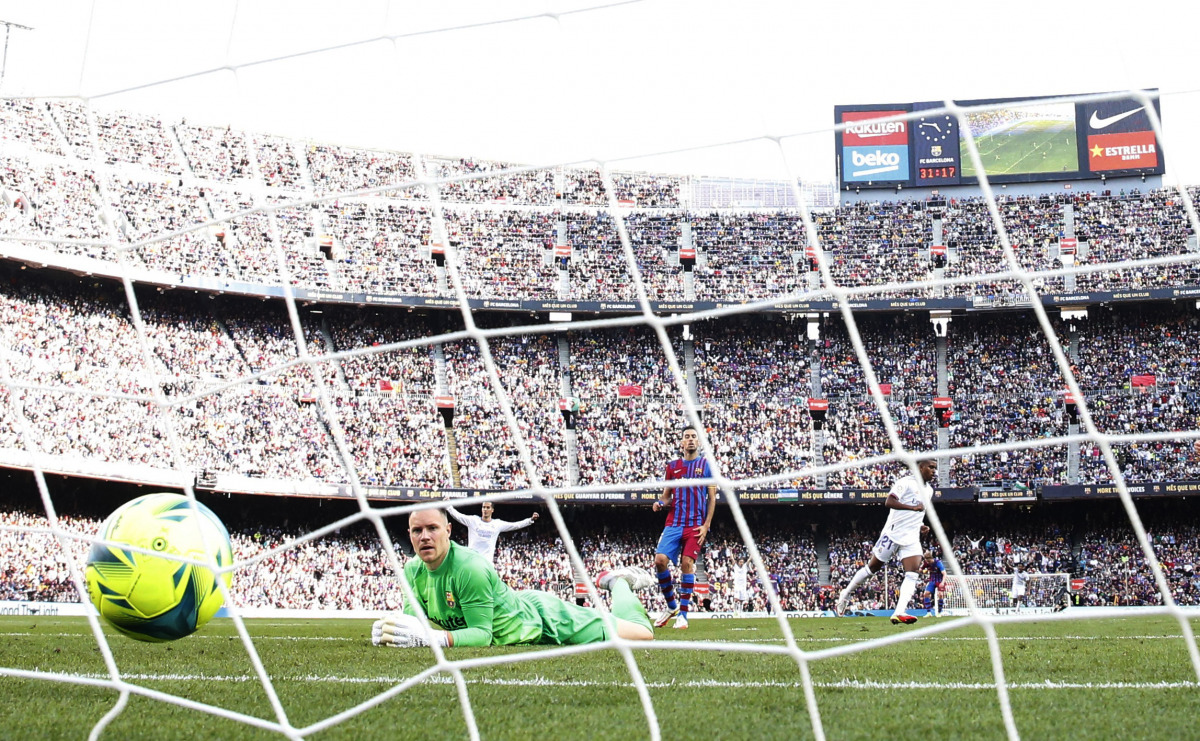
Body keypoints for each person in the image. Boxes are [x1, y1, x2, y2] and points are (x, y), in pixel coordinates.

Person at [372, 507, 655, 648]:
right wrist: (390, 631)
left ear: (448, 530)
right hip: (515, 610)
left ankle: (617, 582)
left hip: (543, 619)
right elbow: (413, 625)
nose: (424, 537)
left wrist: (433, 639)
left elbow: (482, 636)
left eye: (432, 528)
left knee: (642, 634)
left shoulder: (469, 568)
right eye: (416, 531)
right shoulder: (411, 570)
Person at [835, 459, 937, 625]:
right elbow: (889, 501)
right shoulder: (906, 483)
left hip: (911, 537)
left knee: (912, 573)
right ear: (920, 468)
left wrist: (921, 525)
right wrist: (912, 508)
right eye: (930, 467)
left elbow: (918, 513)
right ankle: (845, 594)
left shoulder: (929, 491)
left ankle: (899, 612)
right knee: (872, 568)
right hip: (892, 534)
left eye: (935, 468)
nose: (934, 471)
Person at [651, 425, 718, 630]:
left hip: (695, 525)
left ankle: (683, 614)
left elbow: (712, 498)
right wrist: (660, 503)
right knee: (660, 561)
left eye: (693, 437)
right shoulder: (672, 467)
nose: (690, 440)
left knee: (687, 563)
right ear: (681, 442)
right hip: (674, 523)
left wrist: (706, 525)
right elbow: (666, 495)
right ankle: (671, 606)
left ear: (698, 442)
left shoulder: (707, 465)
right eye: (686, 437)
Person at [445, 501, 539, 563]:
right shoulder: (473, 521)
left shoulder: (497, 524)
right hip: (472, 561)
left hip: (487, 563)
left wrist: (530, 520)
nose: (485, 510)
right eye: (483, 507)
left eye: (488, 507)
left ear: (492, 510)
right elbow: (458, 516)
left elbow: (515, 525)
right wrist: (449, 506)